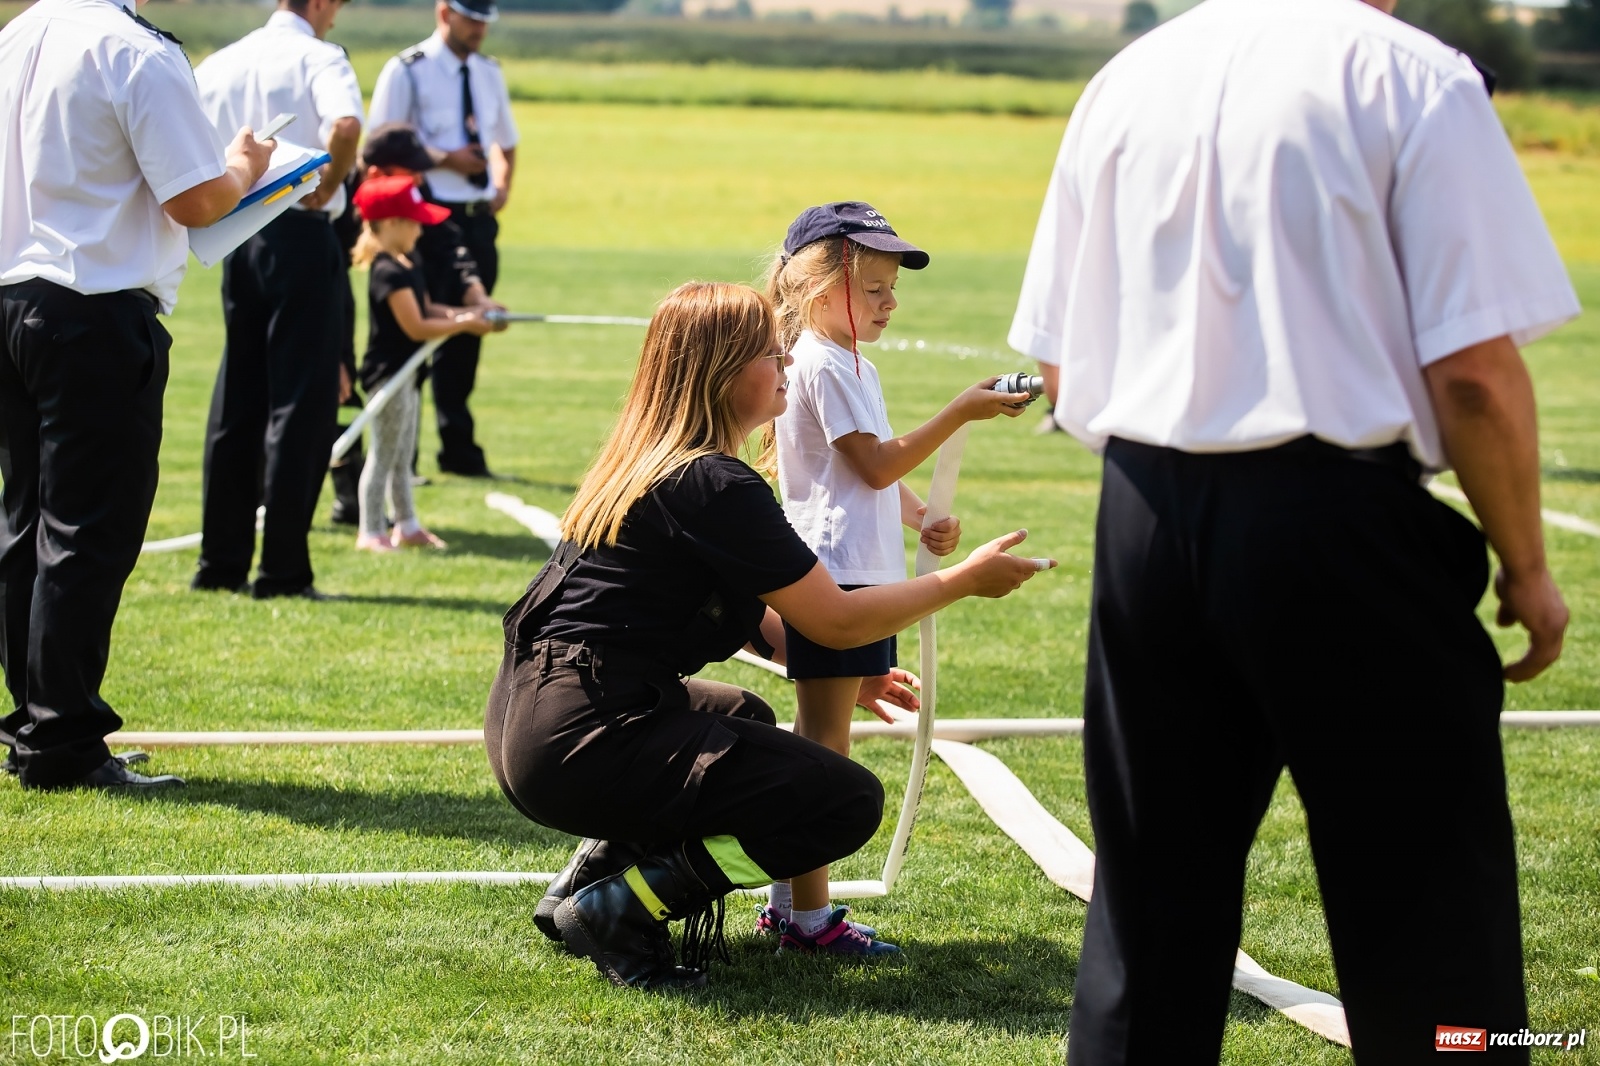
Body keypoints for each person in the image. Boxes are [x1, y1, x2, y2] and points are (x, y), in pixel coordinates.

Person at [1006, 0, 1580, 1060]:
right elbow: (1475, 379)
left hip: (1144, 513)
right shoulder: (1413, 76)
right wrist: (1527, 565)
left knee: (1146, 913)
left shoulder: (1131, 76)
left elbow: (1057, 365)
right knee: (1428, 908)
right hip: (1335, 517)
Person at [486, 281, 1051, 990]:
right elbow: (835, 617)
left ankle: (588, 880)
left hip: (535, 725)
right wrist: (962, 581)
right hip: (580, 741)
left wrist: (854, 668)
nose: (786, 359)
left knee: (741, 715)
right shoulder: (713, 482)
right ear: (721, 372)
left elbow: (760, 614)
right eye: (768, 351)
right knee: (841, 801)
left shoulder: (656, 463)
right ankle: (622, 909)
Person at [0, 0, 273, 790]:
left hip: (13, 297)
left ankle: (37, 724)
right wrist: (249, 167)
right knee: (87, 532)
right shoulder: (135, 52)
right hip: (91, 308)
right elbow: (195, 200)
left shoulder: (17, 36)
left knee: (25, 526)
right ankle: (64, 742)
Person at [762, 202, 1027, 955]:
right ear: (817, 286)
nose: (889, 301)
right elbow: (873, 462)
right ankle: (808, 922)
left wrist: (916, 519)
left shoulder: (850, 363)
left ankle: (792, 908)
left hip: (855, 569)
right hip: (837, 576)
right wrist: (961, 412)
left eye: (890, 288)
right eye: (873, 287)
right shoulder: (819, 359)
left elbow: (868, 472)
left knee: (823, 743)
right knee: (824, 751)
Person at [191, 0, 364, 600]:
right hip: (300, 228)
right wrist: (332, 185)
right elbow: (345, 126)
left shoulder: (222, 61)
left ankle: (220, 563)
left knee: (237, 397)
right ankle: (283, 569)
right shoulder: (321, 58)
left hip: (236, 234)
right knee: (300, 405)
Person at [368, 0, 518, 478]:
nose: (478, 29)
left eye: (484, 22)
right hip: (421, 217)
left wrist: (502, 186)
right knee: (414, 330)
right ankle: (401, 456)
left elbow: (506, 141)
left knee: (468, 337)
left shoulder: (489, 72)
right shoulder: (407, 70)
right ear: (444, 13)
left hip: (476, 217)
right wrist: (447, 159)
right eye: (470, 19)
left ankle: (458, 449)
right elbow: (382, 144)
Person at [349, 176, 495, 552]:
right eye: (414, 221)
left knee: (402, 455)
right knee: (383, 454)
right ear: (392, 224)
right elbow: (417, 327)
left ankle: (407, 524)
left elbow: (429, 309)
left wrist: (473, 311)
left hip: (409, 375)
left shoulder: (408, 262)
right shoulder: (387, 272)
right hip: (389, 378)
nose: (421, 228)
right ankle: (370, 529)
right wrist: (465, 324)